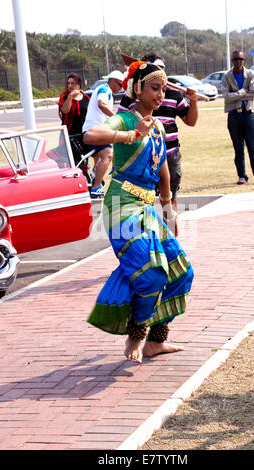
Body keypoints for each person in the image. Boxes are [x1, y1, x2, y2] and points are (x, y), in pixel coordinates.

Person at [83, 61, 194, 363]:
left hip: (147, 208)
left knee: (181, 272)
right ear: (138, 90)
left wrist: (170, 209)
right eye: (154, 88)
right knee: (151, 273)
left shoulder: (157, 126)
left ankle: (156, 342)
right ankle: (136, 334)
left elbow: (163, 169)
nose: (160, 95)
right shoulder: (125, 119)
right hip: (120, 207)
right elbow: (92, 135)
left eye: (163, 90)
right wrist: (130, 135)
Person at [118, 53, 198, 210]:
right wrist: (133, 135)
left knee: (169, 199)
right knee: (144, 200)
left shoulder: (174, 95)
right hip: (141, 157)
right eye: (154, 70)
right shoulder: (131, 97)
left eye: (162, 70)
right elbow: (114, 125)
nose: (160, 74)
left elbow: (190, 121)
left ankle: (167, 229)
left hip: (169, 154)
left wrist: (193, 102)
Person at [221, 51, 254, 185]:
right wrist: (242, 92)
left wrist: (234, 95)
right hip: (233, 115)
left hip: (248, 114)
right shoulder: (227, 76)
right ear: (232, 61)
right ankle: (242, 176)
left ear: (244, 60)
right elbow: (226, 96)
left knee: (253, 147)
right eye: (235, 59)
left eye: (240, 59)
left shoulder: (251, 74)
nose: (238, 61)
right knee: (238, 148)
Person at [82, 70, 125, 198]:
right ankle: (96, 188)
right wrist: (116, 118)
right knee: (108, 154)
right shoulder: (105, 89)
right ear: (111, 81)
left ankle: (96, 183)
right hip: (94, 130)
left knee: (99, 159)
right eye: (119, 84)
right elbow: (101, 104)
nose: (121, 88)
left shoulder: (107, 92)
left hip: (94, 130)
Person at [58, 73, 91, 166]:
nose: (70, 86)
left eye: (73, 83)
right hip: (69, 134)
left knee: (83, 160)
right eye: (68, 83)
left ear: (79, 84)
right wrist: (70, 97)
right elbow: (65, 110)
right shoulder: (64, 96)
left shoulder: (86, 97)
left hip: (83, 134)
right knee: (70, 161)